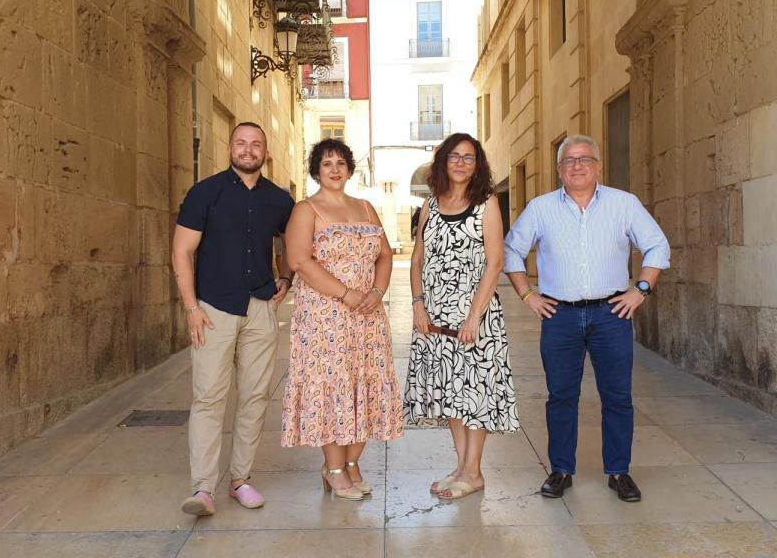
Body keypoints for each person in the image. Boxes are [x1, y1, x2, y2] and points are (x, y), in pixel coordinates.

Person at [503, 134, 670, 501]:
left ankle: (619, 471)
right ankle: (561, 470)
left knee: (617, 397)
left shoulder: (624, 204)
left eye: (584, 159)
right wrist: (527, 295)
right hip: (560, 316)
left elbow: (657, 245)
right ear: (559, 169)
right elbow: (511, 250)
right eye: (569, 161)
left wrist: (640, 289)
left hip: (611, 314)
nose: (577, 166)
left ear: (598, 166)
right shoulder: (541, 208)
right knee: (561, 396)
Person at [172, 122, 295, 516]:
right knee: (209, 398)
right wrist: (191, 307)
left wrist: (286, 276)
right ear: (229, 149)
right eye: (241, 143)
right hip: (212, 309)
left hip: (260, 307)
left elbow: (289, 244)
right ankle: (203, 489)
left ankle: (240, 480)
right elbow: (181, 252)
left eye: (256, 144)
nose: (248, 149)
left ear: (265, 152)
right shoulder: (204, 193)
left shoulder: (279, 200)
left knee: (255, 396)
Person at [281, 138, 404, 501]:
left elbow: (383, 254)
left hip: (368, 316)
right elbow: (300, 261)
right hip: (324, 318)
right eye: (326, 163)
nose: (334, 169)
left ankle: (351, 464)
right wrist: (346, 294)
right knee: (333, 388)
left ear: (350, 169)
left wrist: (378, 292)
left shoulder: (366, 207)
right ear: (316, 171)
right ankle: (334, 468)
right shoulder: (307, 210)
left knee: (365, 385)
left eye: (340, 163)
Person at [404, 133, 520, 500]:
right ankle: (461, 466)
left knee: (476, 392)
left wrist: (474, 316)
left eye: (469, 157)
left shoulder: (487, 203)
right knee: (451, 392)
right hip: (434, 316)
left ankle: (474, 471)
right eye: (454, 156)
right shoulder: (430, 205)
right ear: (443, 162)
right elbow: (418, 258)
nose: (460, 163)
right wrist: (418, 303)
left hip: (475, 316)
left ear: (478, 164)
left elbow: (495, 262)